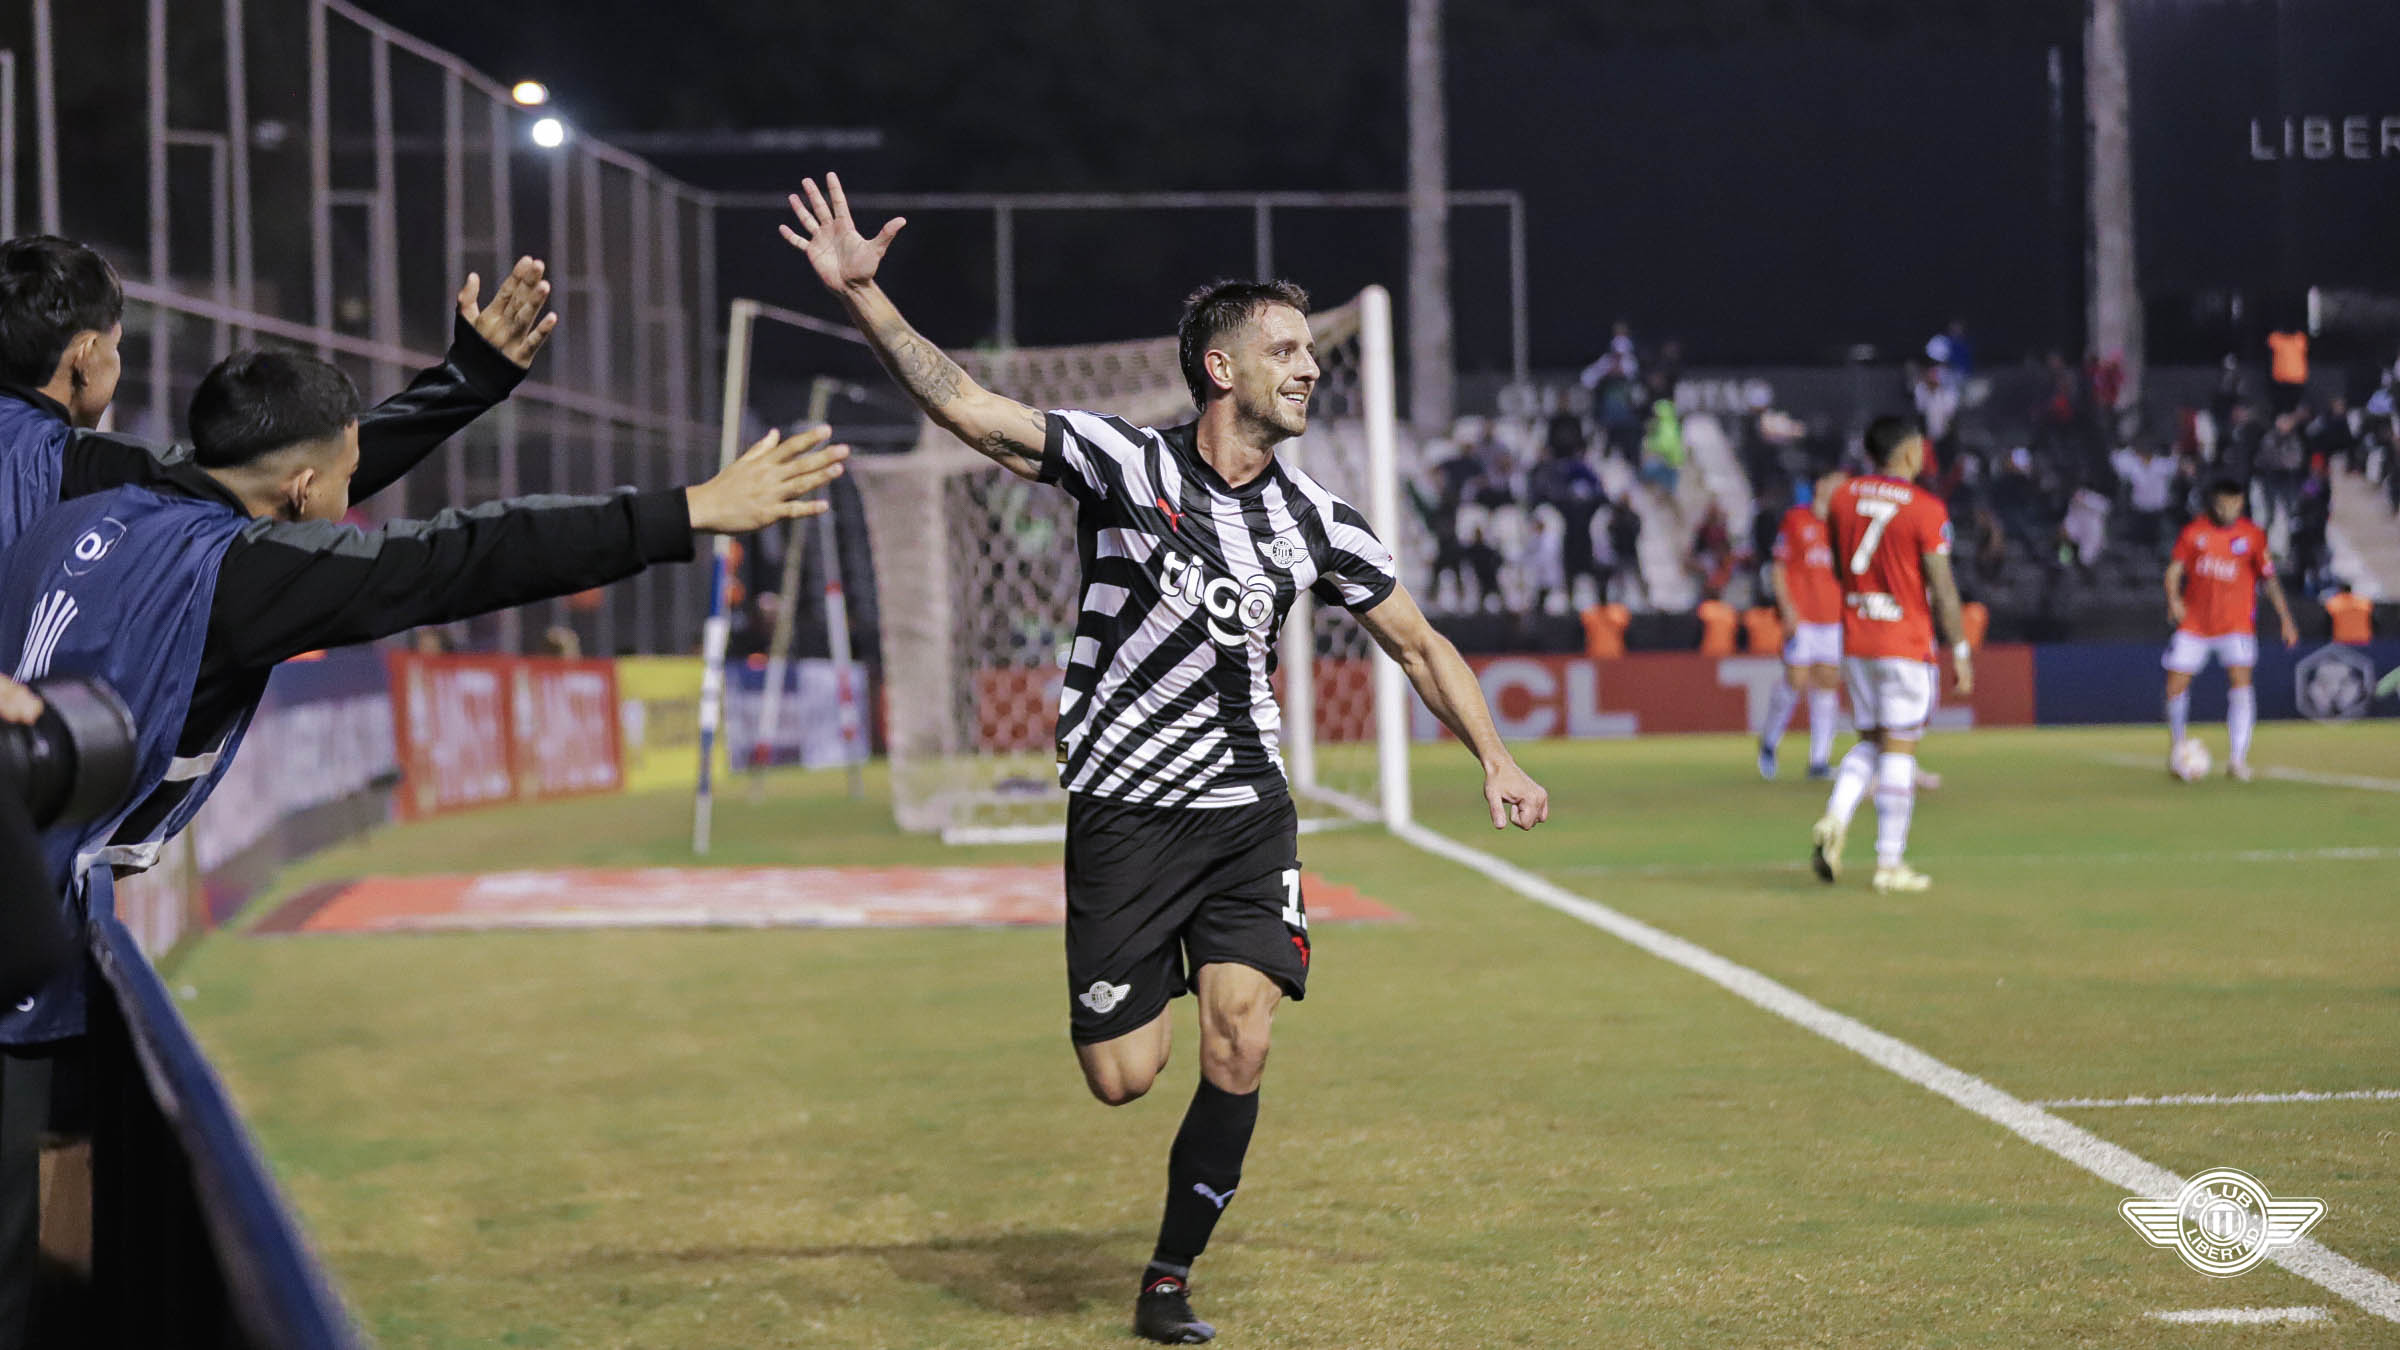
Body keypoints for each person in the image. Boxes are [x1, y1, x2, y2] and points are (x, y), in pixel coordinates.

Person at [780, 173, 1550, 1346]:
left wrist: (1494, 755)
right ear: (1221, 368)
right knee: (1124, 1075)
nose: (1310, 368)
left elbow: (1418, 642)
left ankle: (1169, 1280)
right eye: (1286, 351)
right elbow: (971, 410)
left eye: (1311, 352)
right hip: (1125, 816)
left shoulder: (1317, 521)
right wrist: (864, 297)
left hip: (1246, 815)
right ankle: (1149, 1003)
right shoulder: (1120, 463)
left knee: (1241, 1037)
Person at [0, 235, 557, 549]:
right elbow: (265, 476)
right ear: (85, 358)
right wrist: (466, 382)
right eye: (116, 346)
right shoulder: (74, 465)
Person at [1809, 418, 1971, 893]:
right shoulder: (1925, 508)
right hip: (1905, 641)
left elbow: (1840, 566)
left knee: (1872, 742)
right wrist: (1960, 648)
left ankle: (1835, 818)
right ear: (1906, 453)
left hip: (1858, 639)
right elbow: (1942, 586)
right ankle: (1889, 862)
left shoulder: (1843, 497)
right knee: (1901, 746)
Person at [2162, 478, 2299, 780]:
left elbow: (2269, 579)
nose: (2229, 508)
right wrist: (2173, 599)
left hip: (2236, 625)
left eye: (2235, 503)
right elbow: (2174, 571)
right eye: (2224, 503)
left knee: (2241, 685)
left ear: (2241, 503)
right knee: (2175, 685)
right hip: (2195, 624)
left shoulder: (2252, 536)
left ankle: (2238, 759)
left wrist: (2286, 619)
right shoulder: (2194, 533)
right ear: (2214, 503)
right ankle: (2178, 748)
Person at [1757, 467, 1847, 781]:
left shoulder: (1845, 525)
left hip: (1833, 617)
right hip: (1803, 617)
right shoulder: (1796, 519)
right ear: (1821, 485)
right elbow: (1779, 568)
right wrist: (1788, 609)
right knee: (1794, 680)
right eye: (1837, 484)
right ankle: (1769, 741)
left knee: (1827, 682)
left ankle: (1819, 760)